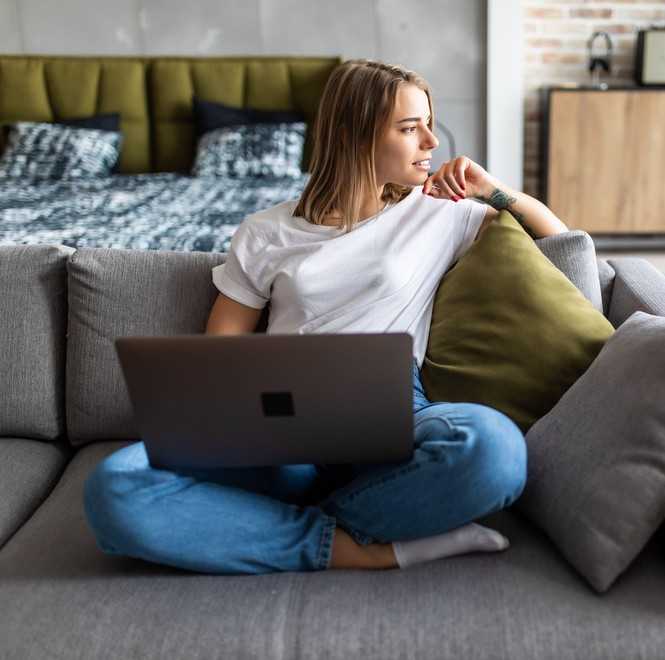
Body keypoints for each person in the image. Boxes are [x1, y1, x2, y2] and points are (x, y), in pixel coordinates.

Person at [83, 59, 568, 574]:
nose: (431, 141)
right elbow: (220, 355)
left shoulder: (437, 213)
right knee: (115, 487)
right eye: (410, 128)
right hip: (279, 415)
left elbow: (563, 246)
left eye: (429, 122)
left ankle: (263, 528)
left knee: (494, 449)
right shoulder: (265, 231)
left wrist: (492, 189)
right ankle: (353, 547)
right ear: (353, 134)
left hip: (395, 408)